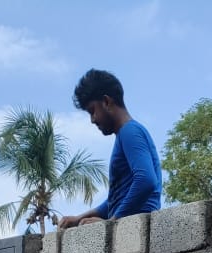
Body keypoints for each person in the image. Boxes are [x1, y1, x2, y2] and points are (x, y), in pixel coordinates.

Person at [57, 69, 161, 229]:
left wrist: (111, 223)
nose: (92, 120)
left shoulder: (130, 131)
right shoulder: (126, 134)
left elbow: (146, 180)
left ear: (106, 102)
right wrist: (78, 218)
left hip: (136, 229)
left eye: (92, 111)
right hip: (131, 228)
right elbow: (117, 199)